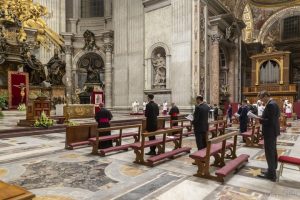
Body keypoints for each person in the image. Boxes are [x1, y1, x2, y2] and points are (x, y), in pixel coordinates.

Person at [257, 91, 280, 182]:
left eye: (262, 98)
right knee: (272, 151)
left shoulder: (271, 105)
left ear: (266, 96)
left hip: (270, 132)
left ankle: (272, 175)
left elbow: (270, 121)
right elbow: (274, 118)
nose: (261, 101)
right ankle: (271, 170)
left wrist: (260, 119)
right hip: (272, 132)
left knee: (269, 153)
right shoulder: (274, 103)